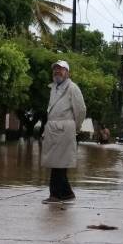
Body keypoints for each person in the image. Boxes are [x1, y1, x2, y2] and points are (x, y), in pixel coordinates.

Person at [41, 60, 86, 204]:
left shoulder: (72, 88)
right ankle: (66, 193)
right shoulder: (53, 88)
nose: (57, 72)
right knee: (56, 163)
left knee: (58, 164)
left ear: (67, 72)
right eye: (55, 69)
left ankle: (55, 195)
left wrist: (74, 127)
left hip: (65, 129)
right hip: (53, 130)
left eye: (61, 69)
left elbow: (81, 110)